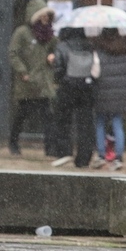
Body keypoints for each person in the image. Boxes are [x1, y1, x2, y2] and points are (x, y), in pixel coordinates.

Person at [7, 0, 58, 156]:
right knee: (22, 114)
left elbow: (57, 51)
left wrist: (53, 57)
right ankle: (13, 142)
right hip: (28, 82)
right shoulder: (22, 33)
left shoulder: (50, 35)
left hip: (44, 81)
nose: (45, 19)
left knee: (48, 116)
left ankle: (50, 147)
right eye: (42, 16)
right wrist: (23, 71)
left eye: (47, 16)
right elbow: (13, 53)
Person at [50, 27, 96, 167]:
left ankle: (64, 151)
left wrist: (59, 79)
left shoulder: (62, 46)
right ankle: (84, 157)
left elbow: (58, 68)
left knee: (63, 120)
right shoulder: (90, 46)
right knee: (85, 123)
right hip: (86, 87)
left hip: (67, 86)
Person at [91, 28, 126, 171]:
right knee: (118, 123)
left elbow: (95, 73)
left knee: (100, 123)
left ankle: (101, 156)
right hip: (120, 92)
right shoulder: (125, 51)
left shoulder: (98, 52)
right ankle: (119, 158)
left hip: (102, 91)